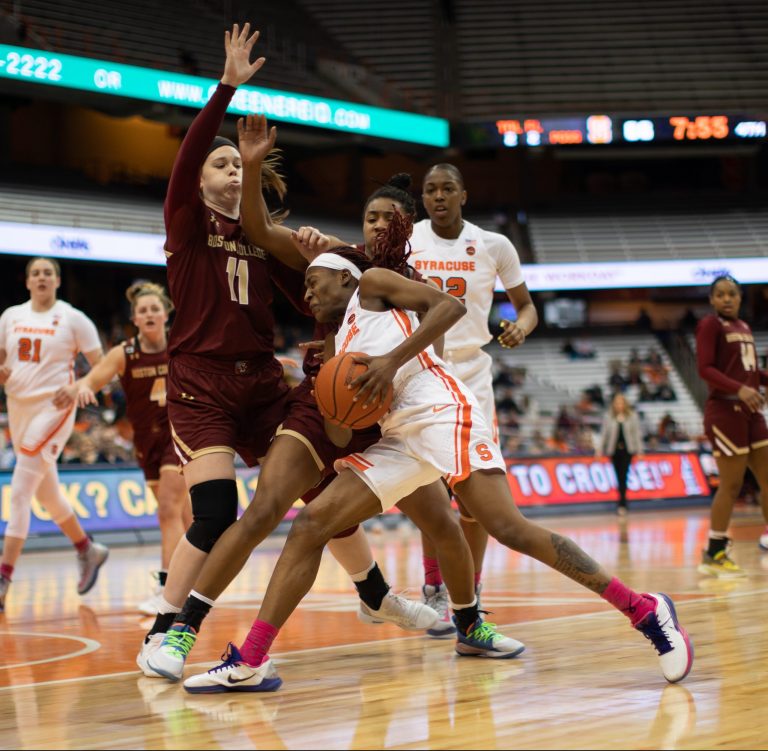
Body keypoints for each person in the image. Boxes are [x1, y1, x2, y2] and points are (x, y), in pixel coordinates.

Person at [182, 253, 693, 693]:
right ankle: (251, 660)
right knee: (313, 524)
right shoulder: (338, 344)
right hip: (400, 437)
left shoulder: (374, 285)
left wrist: (387, 362)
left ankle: (644, 610)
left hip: (445, 411)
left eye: (314, 282)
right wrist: (326, 383)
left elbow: (450, 307)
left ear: (344, 278)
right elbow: (339, 435)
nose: (308, 294)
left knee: (507, 527)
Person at [141, 121, 489, 679]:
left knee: (430, 517)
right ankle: (172, 629)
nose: (377, 225)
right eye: (370, 216)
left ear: (408, 224)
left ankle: (434, 612)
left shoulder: (389, 274)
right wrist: (254, 159)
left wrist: (354, 347)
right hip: (214, 383)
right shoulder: (220, 229)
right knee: (237, 511)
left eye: (387, 218)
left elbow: (383, 324)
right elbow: (272, 243)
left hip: (353, 405)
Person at [134, 24, 317, 671]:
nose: (231, 169)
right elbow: (184, 163)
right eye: (222, 162)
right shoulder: (186, 221)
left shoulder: (267, 236)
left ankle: (376, 594)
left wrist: (327, 262)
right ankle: (163, 630)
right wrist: (226, 88)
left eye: (238, 164)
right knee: (215, 511)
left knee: (316, 491)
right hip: (202, 382)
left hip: (263, 382)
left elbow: (310, 302)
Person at [408, 162, 538, 635]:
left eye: (447, 189)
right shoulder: (408, 239)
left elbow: (526, 307)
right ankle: (434, 589)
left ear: (463, 194)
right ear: (422, 198)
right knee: (427, 493)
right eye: (430, 190)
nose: (438, 197)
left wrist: (519, 329)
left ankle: (473, 593)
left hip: (472, 376)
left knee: (475, 501)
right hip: (420, 373)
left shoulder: (493, 245)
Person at [59, 282, 191, 614]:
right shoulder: (124, 353)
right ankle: (196, 582)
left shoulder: (181, 344)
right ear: (134, 317)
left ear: (165, 314)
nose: (148, 313)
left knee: (167, 511)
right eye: (142, 310)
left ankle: (167, 591)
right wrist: (83, 388)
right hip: (146, 441)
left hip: (180, 435)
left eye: (154, 308)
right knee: (185, 516)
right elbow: (93, 379)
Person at [0, 257, 108, 611]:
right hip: (18, 407)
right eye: (36, 273)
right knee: (47, 494)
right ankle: (87, 549)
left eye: (48, 272)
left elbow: (105, 366)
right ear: (27, 281)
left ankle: (3, 577)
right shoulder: (10, 316)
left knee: (19, 492)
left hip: (55, 408)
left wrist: (79, 386)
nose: (42, 277)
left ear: (57, 281)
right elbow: (3, 360)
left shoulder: (74, 318)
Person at [695, 275, 768, 576]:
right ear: (712, 300)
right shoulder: (711, 325)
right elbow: (705, 369)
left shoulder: (744, 327)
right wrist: (740, 389)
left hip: (751, 412)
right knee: (732, 484)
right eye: (721, 294)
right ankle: (715, 550)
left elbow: (750, 372)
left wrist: (760, 381)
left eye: (732, 294)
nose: (727, 299)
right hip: (725, 411)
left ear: (740, 298)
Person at [599, 393, 643, 516]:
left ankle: (622, 504)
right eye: (617, 402)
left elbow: (636, 434)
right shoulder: (609, 417)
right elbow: (604, 434)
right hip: (614, 451)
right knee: (618, 477)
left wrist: (639, 450)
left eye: (621, 402)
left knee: (624, 476)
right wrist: (600, 449)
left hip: (627, 451)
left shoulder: (632, 416)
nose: (619, 405)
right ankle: (621, 502)